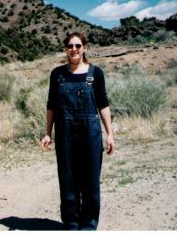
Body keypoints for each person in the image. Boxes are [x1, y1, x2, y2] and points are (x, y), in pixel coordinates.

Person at [41, 32, 114, 231]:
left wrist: (110, 134)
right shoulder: (57, 74)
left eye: (78, 45)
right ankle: (72, 223)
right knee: (68, 179)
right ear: (66, 49)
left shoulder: (95, 73)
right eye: (70, 46)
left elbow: (103, 104)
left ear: (84, 48)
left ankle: (89, 224)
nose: (74, 49)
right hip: (65, 133)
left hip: (90, 133)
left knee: (90, 180)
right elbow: (51, 106)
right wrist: (48, 133)